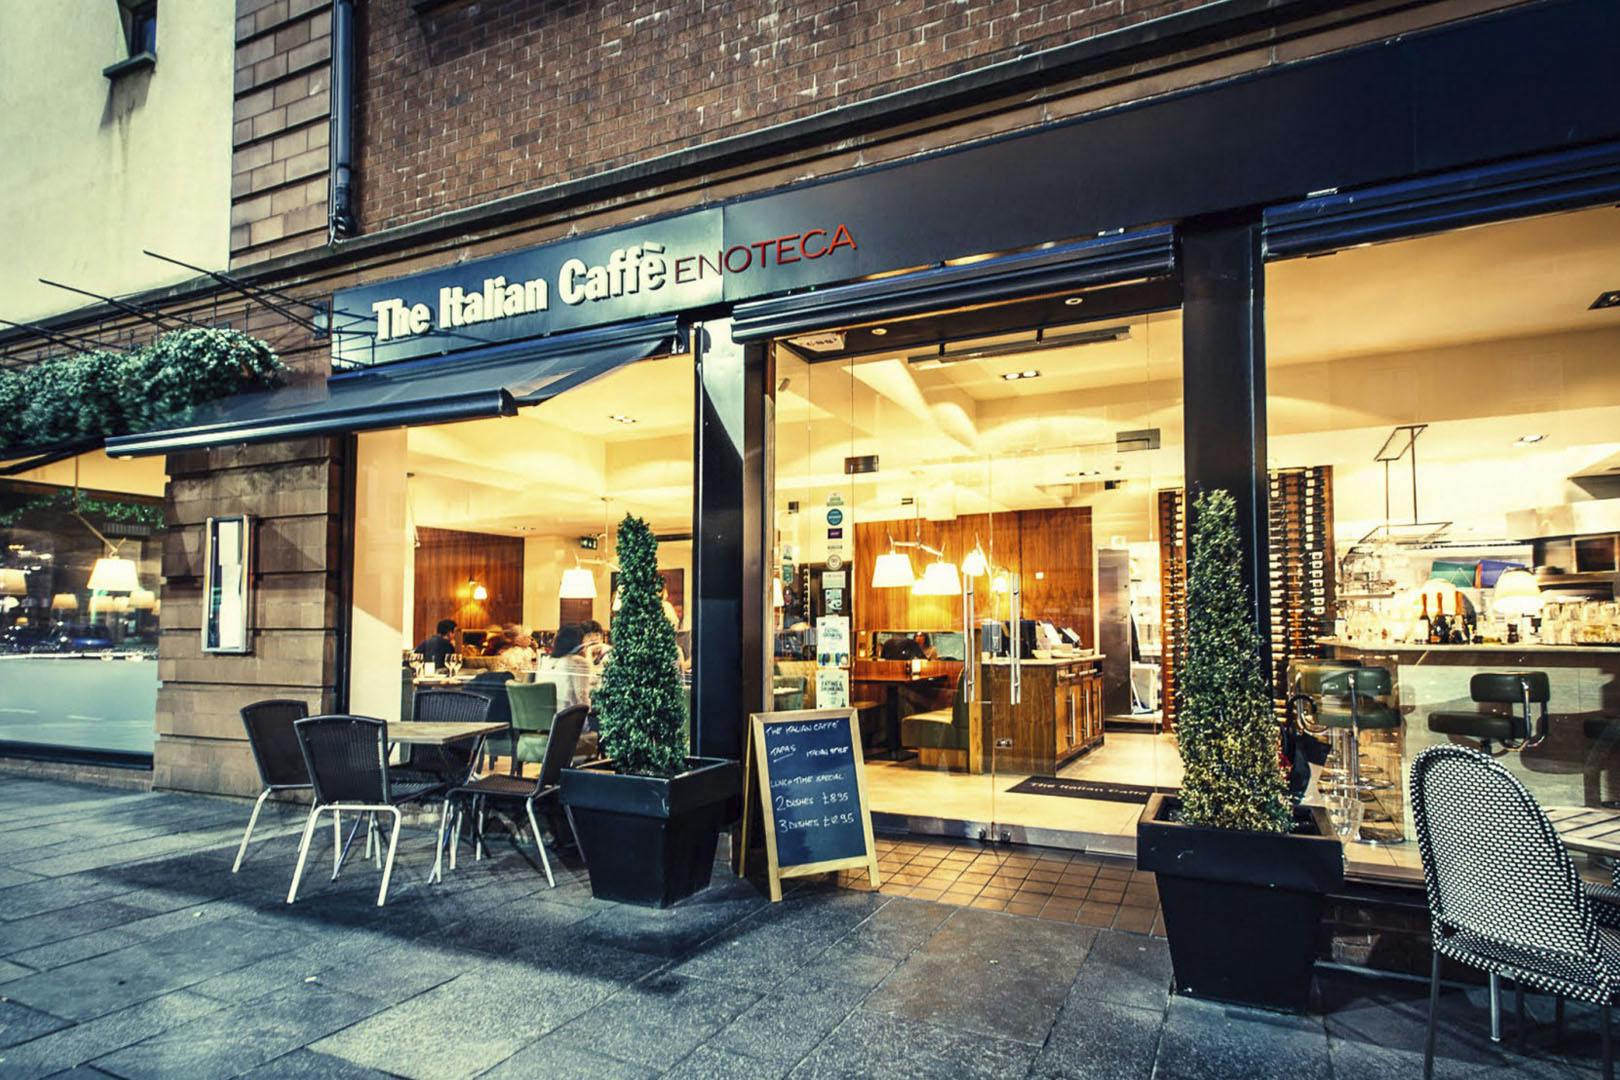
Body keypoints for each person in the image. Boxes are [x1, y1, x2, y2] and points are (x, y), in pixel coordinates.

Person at [539, 623, 595, 712]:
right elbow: (581, 696)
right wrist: (589, 653)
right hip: (567, 716)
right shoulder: (577, 661)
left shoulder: (546, 661)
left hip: (544, 715)